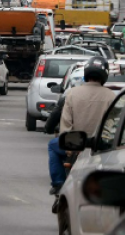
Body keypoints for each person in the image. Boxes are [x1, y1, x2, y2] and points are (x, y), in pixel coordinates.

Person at [47, 56, 115, 195]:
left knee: (52, 146)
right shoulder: (111, 96)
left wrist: (69, 149)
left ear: (86, 73)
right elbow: (113, 124)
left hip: (75, 144)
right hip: (100, 146)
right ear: (105, 75)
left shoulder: (72, 94)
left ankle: (58, 183)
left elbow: (66, 124)